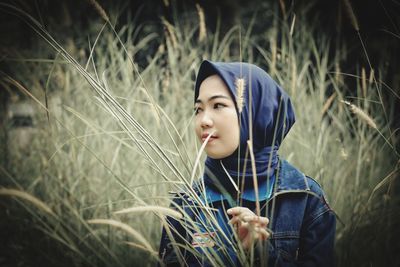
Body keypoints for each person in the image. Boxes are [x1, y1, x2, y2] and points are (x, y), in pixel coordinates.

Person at [158, 60, 336, 266]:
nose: (203, 120)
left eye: (218, 105)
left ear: (258, 112)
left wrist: (262, 254)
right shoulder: (185, 203)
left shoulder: (306, 199)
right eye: (198, 109)